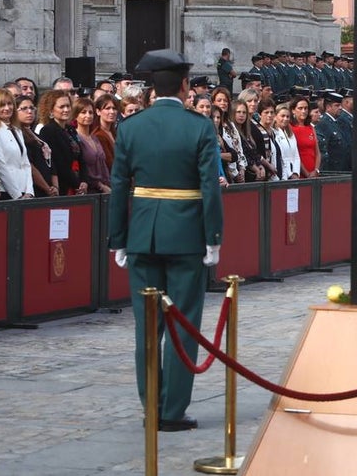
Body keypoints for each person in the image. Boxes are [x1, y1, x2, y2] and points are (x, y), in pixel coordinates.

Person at [108, 49, 224, 433]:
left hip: (142, 234)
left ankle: (151, 408)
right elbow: (210, 186)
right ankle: (172, 410)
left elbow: (119, 186)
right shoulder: (199, 126)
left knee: (148, 327)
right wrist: (214, 237)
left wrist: (118, 239)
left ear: (152, 89)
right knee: (183, 323)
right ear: (186, 86)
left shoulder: (131, 126)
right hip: (187, 234)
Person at [0, 88, 34, 200]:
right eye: (2, 105)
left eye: (10, 104)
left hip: (25, 190)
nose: (7, 108)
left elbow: (25, 163)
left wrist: (30, 191)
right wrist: (17, 195)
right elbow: (1, 165)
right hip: (8, 192)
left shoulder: (17, 130)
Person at [38, 89, 89, 196]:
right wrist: (77, 184)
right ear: (51, 111)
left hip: (78, 183)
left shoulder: (70, 129)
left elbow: (81, 158)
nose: (66, 109)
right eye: (61, 107)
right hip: (63, 186)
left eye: (68, 106)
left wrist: (84, 181)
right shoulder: (48, 131)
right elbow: (58, 163)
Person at [16, 94, 57, 197]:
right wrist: (47, 189)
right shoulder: (18, 136)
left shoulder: (37, 135)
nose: (29, 112)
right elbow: (30, 166)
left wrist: (55, 187)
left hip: (50, 188)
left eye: (32, 108)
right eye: (24, 108)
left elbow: (52, 164)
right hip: (35, 190)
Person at [73, 98, 111, 193]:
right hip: (89, 190)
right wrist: (100, 186)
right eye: (83, 112)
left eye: (91, 112)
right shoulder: (75, 138)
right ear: (76, 115)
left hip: (106, 189)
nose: (88, 115)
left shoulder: (94, 138)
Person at [290, 95, 320, 177]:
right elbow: (294, 154)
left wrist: (316, 170)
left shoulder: (310, 127)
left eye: (306, 108)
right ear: (293, 110)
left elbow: (317, 152)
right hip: (299, 174)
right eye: (300, 108)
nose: (304, 111)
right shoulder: (290, 128)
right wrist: (306, 173)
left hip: (314, 174)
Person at [272, 104, 301, 180]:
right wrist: (290, 174)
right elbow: (282, 157)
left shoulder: (290, 133)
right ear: (275, 117)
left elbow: (296, 155)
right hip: (282, 174)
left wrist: (296, 172)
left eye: (287, 116)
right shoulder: (273, 133)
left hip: (294, 175)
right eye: (282, 116)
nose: (285, 119)